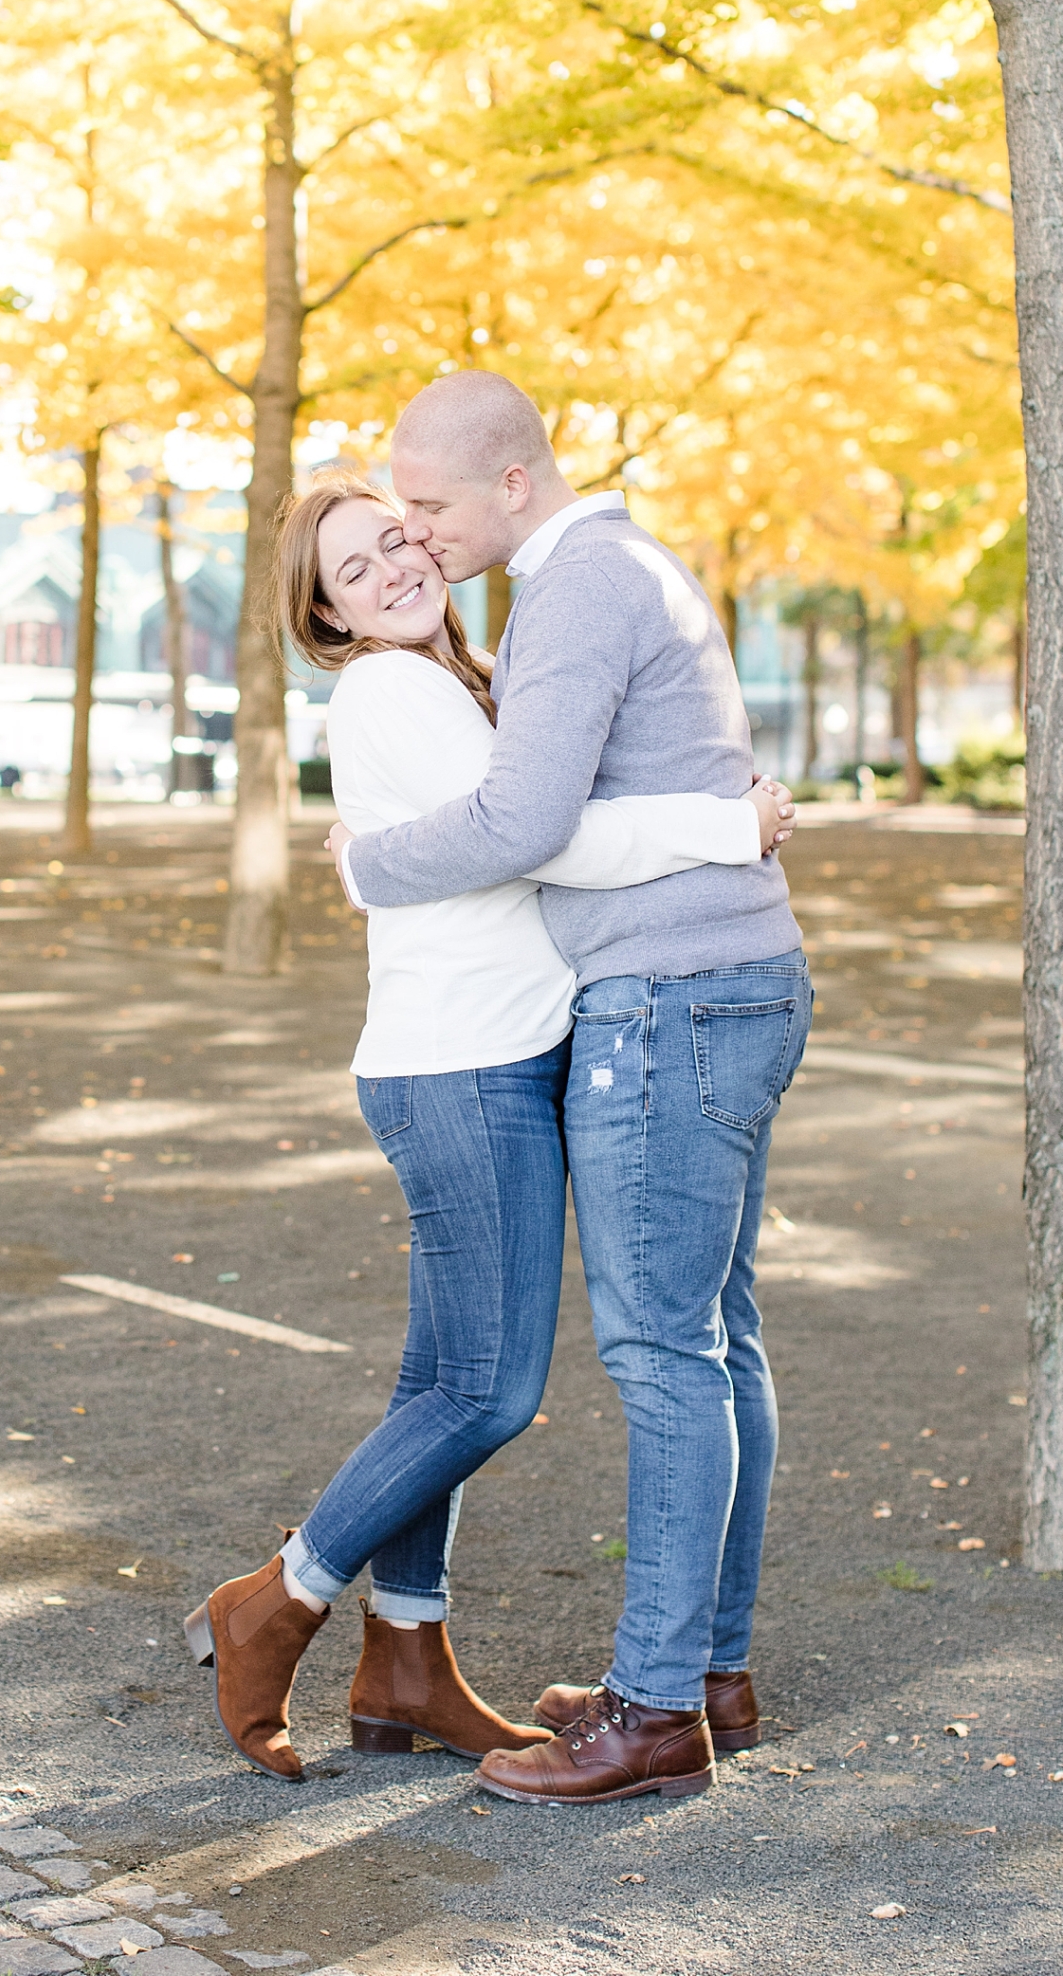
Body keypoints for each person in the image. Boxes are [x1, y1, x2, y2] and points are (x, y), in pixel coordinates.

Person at [183, 468, 792, 1782]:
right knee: (491, 1387)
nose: (395, 567)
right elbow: (542, 836)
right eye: (354, 571)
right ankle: (278, 1596)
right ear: (327, 618)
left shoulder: (472, 672)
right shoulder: (398, 689)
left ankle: (406, 1657)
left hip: (491, 1058)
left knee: (441, 1378)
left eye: (397, 539)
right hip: (465, 1072)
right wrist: (723, 825)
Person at [328, 373, 812, 1807]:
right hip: (728, 983)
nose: (417, 535)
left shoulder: (575, 590)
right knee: (717, 1337)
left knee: (667, 1355)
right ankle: (706, 1673)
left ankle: (658, 1712)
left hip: (666, 1002)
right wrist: (726, 824)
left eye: (426, 506)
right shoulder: (627, 566)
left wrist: (364, 862)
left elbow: (524, 823)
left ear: (512, 485)